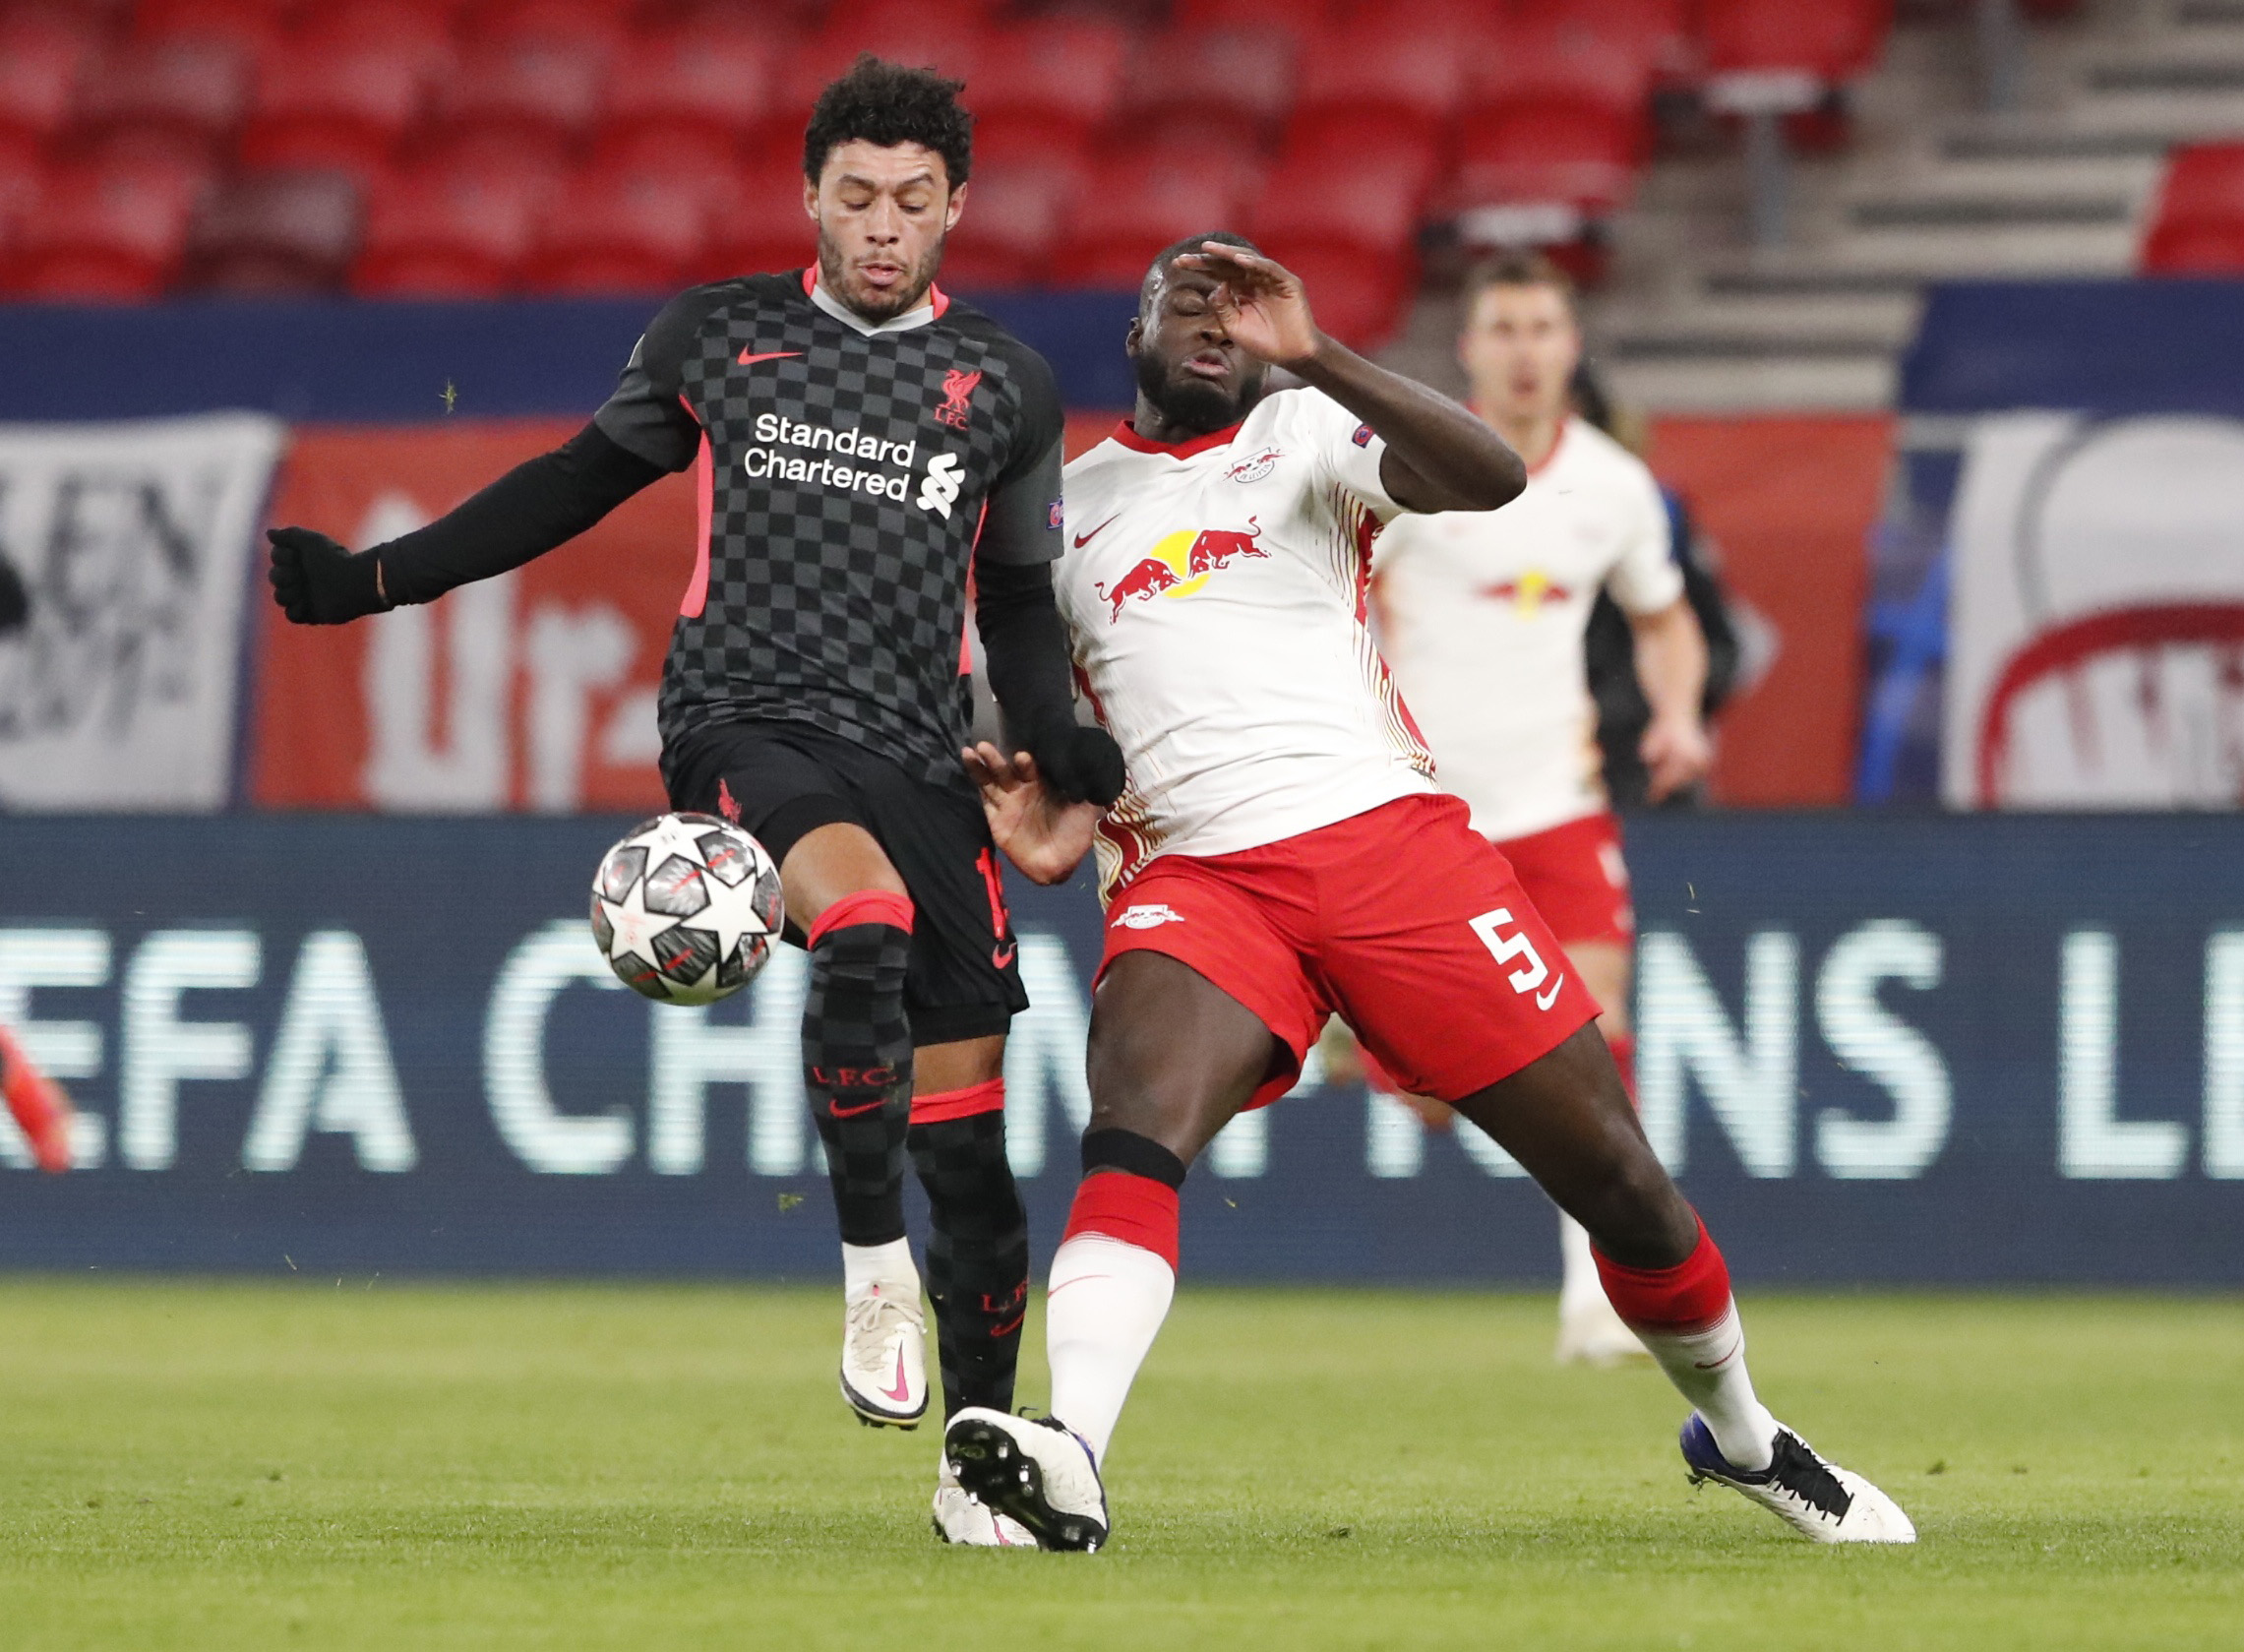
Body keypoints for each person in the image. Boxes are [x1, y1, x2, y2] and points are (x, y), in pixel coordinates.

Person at [939, 236, 1912, 1553]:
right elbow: (1051, 712)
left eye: (1239, 304)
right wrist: (1050, 801)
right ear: (1134, 332)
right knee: (1134, 1121)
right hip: (1197, 871)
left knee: (1621, 1181)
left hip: (1388, 845)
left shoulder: (1304, 433)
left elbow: (1490, 474)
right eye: (1188, 299)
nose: (1214, 321)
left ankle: (1745, 1435)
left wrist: (1320, 351)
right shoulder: (1065, 506)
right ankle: (1072, 1451)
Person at [264, 57, 1120, 1547]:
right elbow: (566, 486)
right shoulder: (721, 338)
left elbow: (1021, 604)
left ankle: (970, 1466)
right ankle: (869, 1276)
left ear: (956, 209)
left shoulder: (1008, 387)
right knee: (855, 917)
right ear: (808, 195)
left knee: (973, 1159)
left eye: (913, 202)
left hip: (921, 758)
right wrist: (370, 582)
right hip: (746, 725)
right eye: (854, 196)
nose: (880, 226)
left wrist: (1059, 739)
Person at [1365, 252, 1715, 1365]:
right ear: (1468, 348)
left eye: (1542, 327)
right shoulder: (1410, 463)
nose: (1524, 348)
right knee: (1429, 1095)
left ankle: (1595, 1298)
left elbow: (1662, 619)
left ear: (1571, 345)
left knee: (1594, 1042)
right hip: (1421, 808)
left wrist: (1678, 714)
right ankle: (1348, 1038)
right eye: (1503, 327)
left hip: (1557, 803)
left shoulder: (1613, 486)